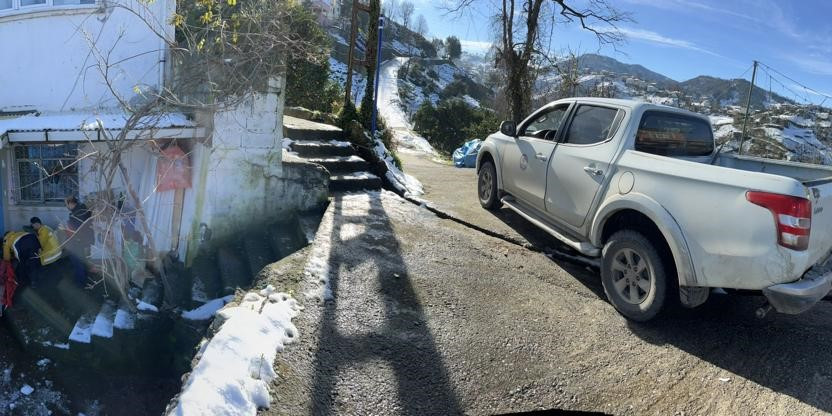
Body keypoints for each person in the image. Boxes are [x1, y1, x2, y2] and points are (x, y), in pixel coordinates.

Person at [63, 196, 93, 287]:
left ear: (70, 203)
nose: (66, 206)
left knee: (76, 260)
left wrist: (66, 226)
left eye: (66, 204)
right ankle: (82, 278)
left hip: (78, 240)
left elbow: (77, 228)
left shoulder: (78, 212)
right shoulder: (81, 209)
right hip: (83, 240)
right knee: (80, 259)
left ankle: (80, 282)